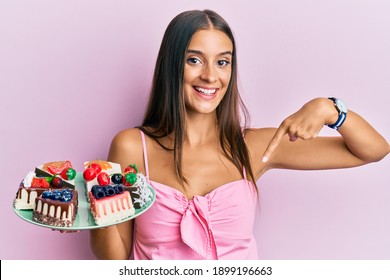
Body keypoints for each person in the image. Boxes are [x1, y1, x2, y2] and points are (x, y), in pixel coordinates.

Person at [89, 9, 389, 260]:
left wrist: (329, 109)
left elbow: (374, 150)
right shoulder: (131, 147)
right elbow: (113, 259)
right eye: (194, 60)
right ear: (172, 66)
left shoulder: (256, 146)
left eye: (223, 62)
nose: (210, 76)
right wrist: (95, 200)